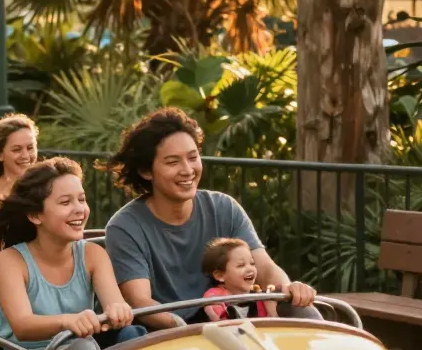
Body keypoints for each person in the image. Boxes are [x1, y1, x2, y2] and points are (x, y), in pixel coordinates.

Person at [101, 108, 316, 329]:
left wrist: (288, 287)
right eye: (173, 162)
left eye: (193, 158)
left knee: (301, 308)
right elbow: (140, 302)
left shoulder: (224, 207)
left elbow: (265, 268)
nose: (188, 170)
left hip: (233, 323)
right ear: (146, 171)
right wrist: (193, 331)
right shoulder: (125, 227)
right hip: (170, 335)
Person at [0, 158, 145, 350]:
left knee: (133, 334)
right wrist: (68, 321)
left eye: (81, 199)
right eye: (66, 203)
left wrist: (119, 311)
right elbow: (22, 325)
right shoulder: (11, 260)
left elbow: (114, 302)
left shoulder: (92, 254)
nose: (79, 209)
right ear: (35, 215)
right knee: (80, 347)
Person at [202, 237, 278, 321]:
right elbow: (218, 318)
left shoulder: (258, 295)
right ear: (220, 275)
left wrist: (271, 306)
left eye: (252, 263)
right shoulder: (215, 296)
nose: (250, 269)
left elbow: (273, 319)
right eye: (241, 265)